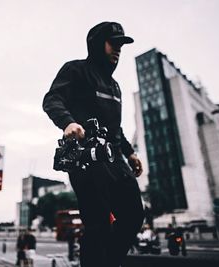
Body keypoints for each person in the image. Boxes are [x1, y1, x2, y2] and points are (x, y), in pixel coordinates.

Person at [43, 21, 144, 267]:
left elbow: (115, 127)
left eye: (122, 45)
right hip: (87, 159)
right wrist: (67, 123)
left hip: (116, 161)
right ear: (98, 44)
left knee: (133, 216)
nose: (119, 49)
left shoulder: (115, 86)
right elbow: (52, 99)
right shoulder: (76, 70)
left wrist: (130, 154)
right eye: (114, 43)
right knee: (98, 224)